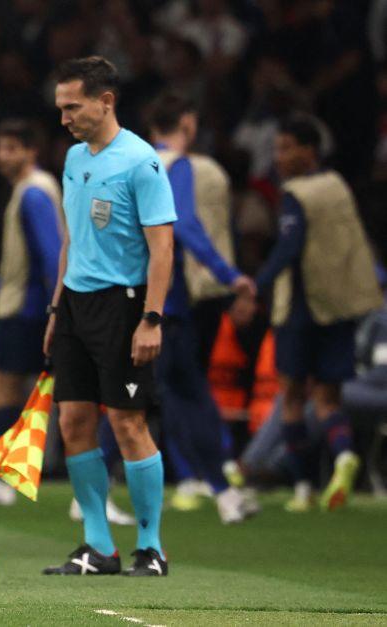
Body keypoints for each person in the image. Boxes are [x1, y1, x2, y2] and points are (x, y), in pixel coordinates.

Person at [41, 56, 176, 577]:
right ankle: (98, 547)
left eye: (72, 106)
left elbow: (162, 248)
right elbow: (71, 239)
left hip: (125, 306)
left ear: (106, 101)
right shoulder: (74, 159)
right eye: (60, 108)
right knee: (73, 420)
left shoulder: (140, 162)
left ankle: (151, 547)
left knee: (126, 421)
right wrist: (57, 308)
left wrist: (153, 317)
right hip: (75, 305)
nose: (64, 118)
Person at [234, 116, 382, 512]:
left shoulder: (296, 194)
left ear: (309, 151)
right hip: (339, 310)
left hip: (300, 310)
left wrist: (255, 285)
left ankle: (302, 488)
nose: (278, 157)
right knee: (330, 398)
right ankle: (345, 454)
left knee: (294, 397)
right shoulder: (338, 187)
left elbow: (289, 248)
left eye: (285, 148)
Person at [147, 91, 259, 524]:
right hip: (162, 301)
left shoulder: (131, 161)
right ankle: (219, 484)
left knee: (168, 392)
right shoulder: (181, 165)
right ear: (188, 124)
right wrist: (229, 274)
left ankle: (220, 488)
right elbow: (185, 223)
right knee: (152, 397)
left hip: (124, 295)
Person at [0, 118, 63, 506]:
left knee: (5, 388)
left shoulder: (33, 194)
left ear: (31, 151)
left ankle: (3, 479)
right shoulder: (32, 190)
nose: (2, 156)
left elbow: (51, 255)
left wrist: (54, 310)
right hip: (24, 303)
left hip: (27, 311)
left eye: (12, 148)